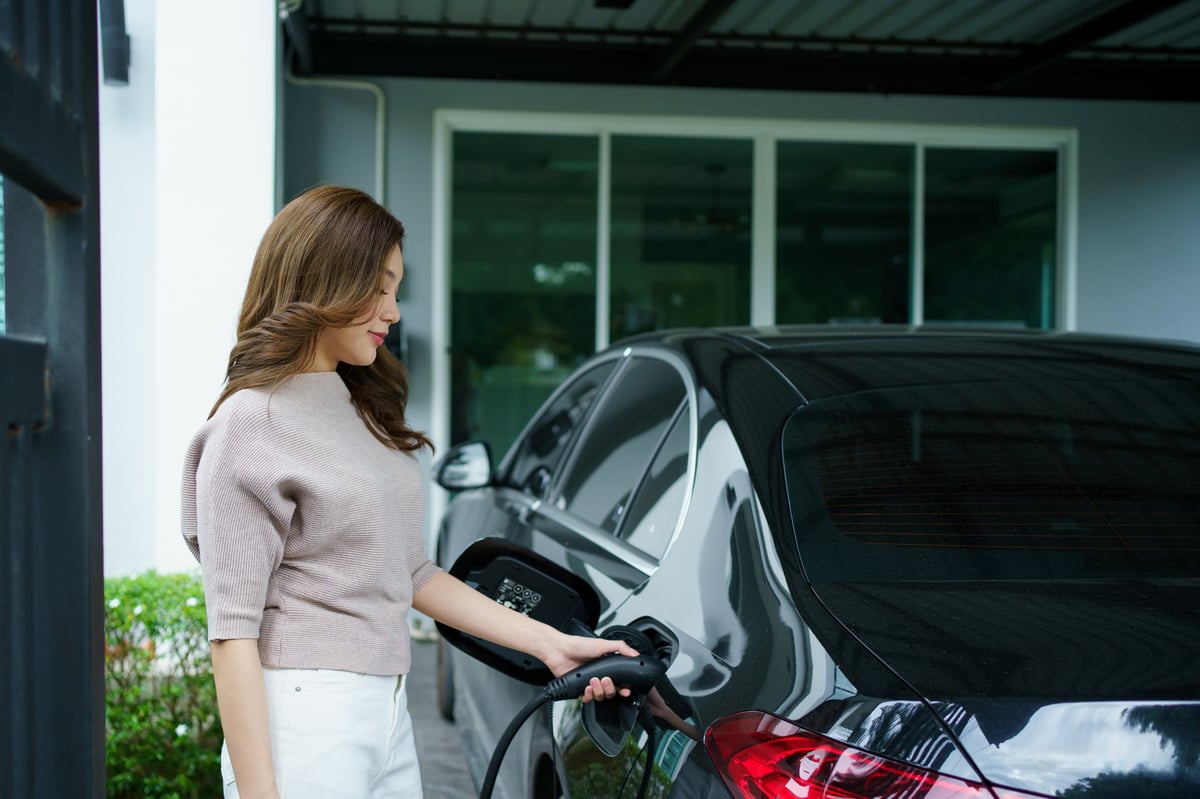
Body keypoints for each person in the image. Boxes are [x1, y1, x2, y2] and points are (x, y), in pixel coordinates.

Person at [180, 185, 637, 799]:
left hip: (388, 710)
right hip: (305, 716)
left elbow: (411, 572)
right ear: (326, 277)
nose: (393, 311)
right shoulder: (249, 425)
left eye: (396, 289)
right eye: (381, 286)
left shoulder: (355, 408)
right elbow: (231, 634)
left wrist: (551, 646)